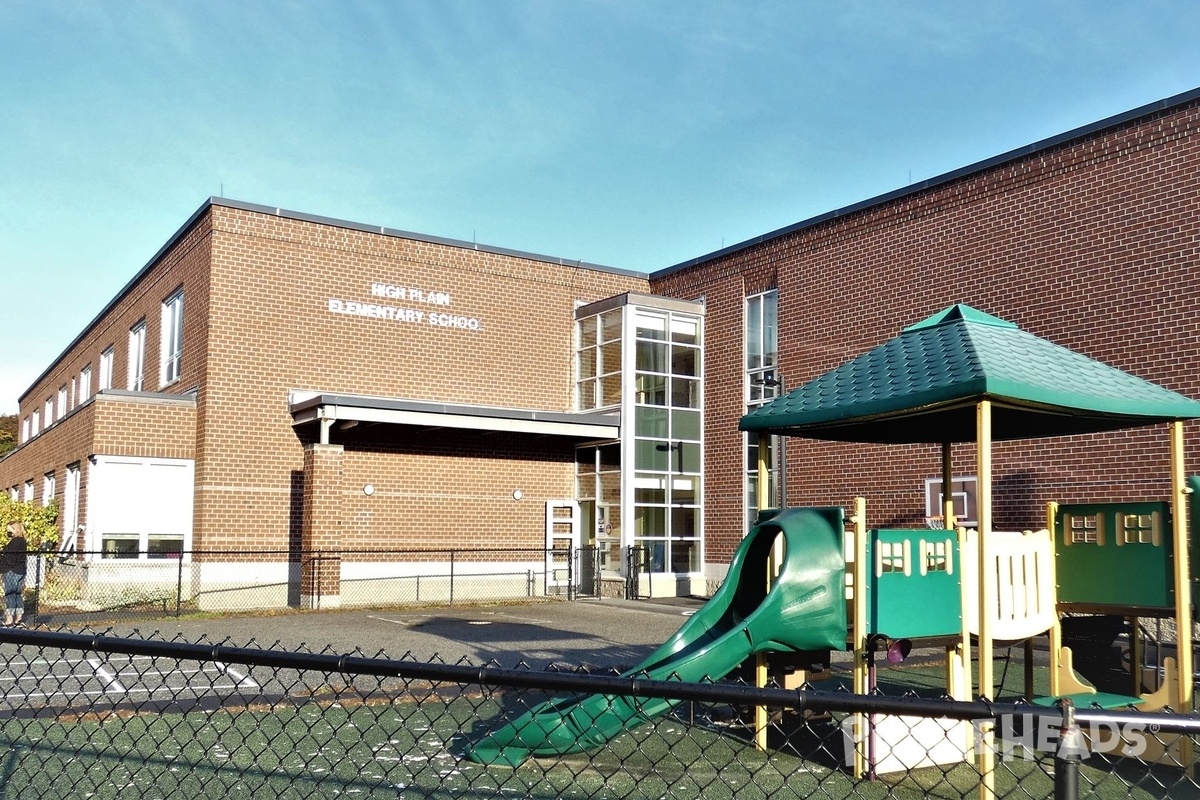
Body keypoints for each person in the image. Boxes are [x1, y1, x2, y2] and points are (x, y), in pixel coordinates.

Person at [2, 522, 27, 627]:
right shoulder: (23, 541)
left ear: (15, 529)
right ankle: (19, 617)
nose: (8, 532)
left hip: (11, 570)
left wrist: (2, 555)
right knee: (17, 594)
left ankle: (9, 618)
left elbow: (11, 559)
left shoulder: (15, 542)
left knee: (10, 593)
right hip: (20, 570)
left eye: (10, 530)